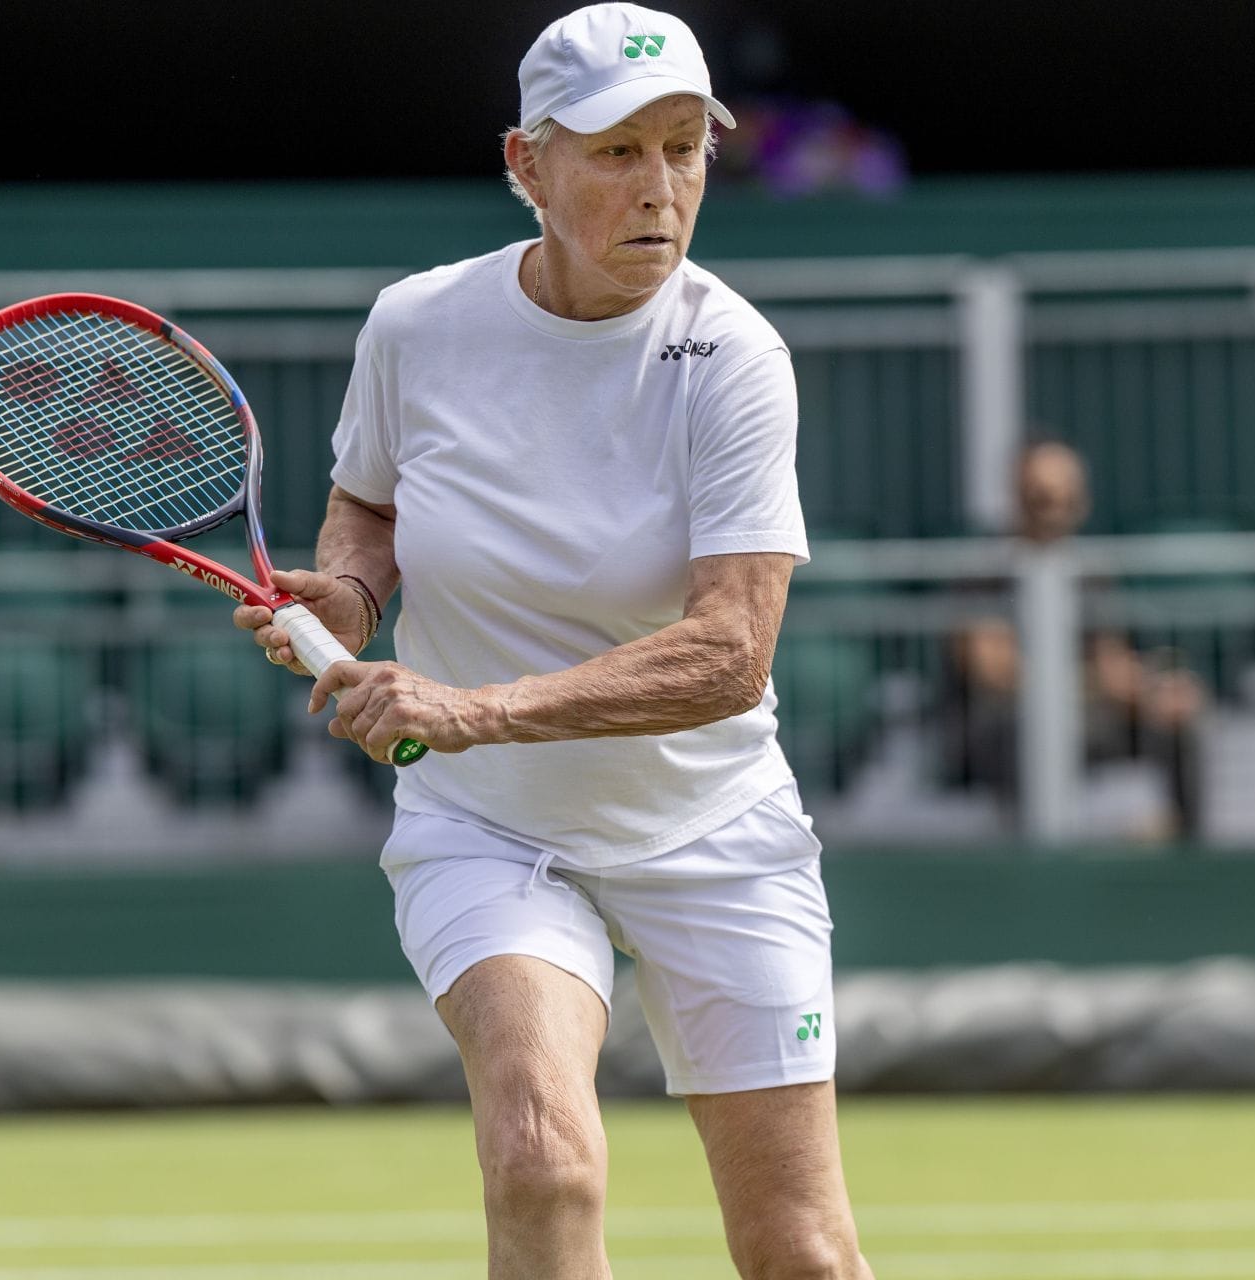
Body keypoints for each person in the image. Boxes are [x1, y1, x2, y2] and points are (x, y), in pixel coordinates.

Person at [234, 7, 873, 1278]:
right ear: (526, 165)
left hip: (713, 829)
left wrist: (472, 707)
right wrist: (352, 601)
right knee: (541, 1153)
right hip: (493, 827)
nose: (661, 189)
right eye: (617, 152)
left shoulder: (734, 356)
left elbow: (730, 652)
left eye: (684, 149)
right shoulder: (416, 325)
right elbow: (371, 503)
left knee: (798, 1249)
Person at [943, 439, 1206, 840]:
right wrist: (1089, 683)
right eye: (1042, 498)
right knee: (1028, 729)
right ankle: (1034, 860)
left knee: (1176, 722)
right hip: (997, 727)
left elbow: (1113, 664)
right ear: (1017, 499)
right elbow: (995, 670)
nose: (1055, 513)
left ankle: (1183, 849)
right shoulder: (984, 573)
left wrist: (1156, 692)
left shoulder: (1091, 577)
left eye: (1068, 499)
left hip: (1084, 717)